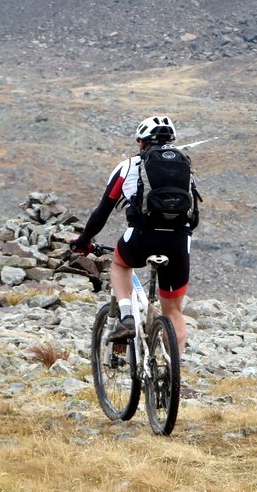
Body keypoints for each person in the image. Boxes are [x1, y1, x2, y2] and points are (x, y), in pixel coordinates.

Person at [69, 116, 200, 354]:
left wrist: (83, 241)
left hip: (142, 236)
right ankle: (173, 376)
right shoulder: (186, 168)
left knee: (119, 264)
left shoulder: (128, 166)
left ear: (141, 143)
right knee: (173, 312)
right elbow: (193, 213)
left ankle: (127, 316)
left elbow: (102, 212)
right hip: (179, 240)